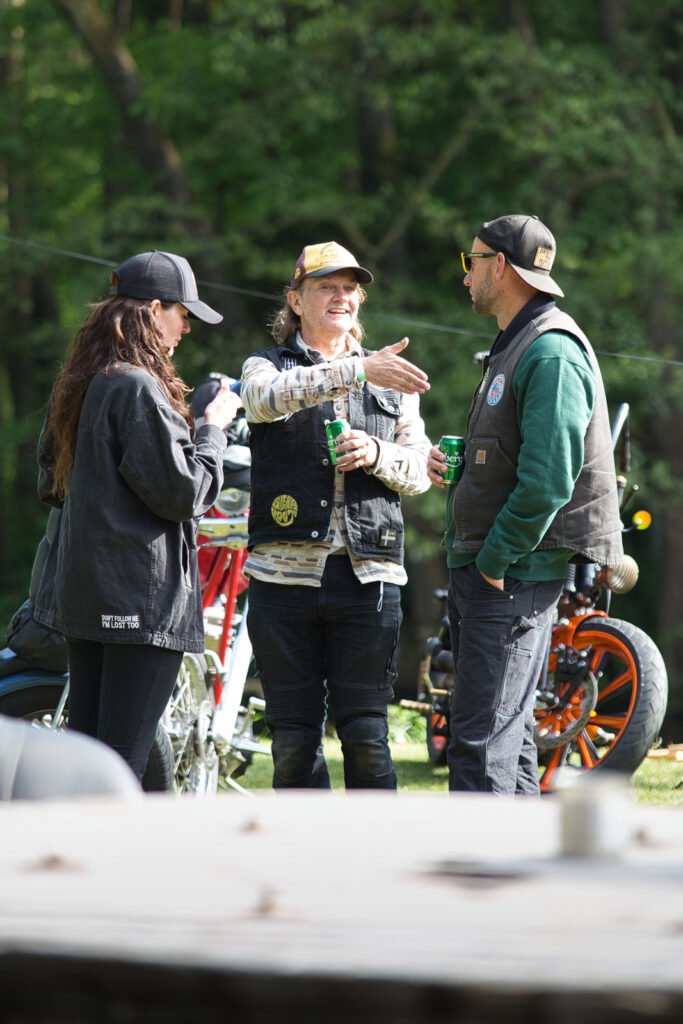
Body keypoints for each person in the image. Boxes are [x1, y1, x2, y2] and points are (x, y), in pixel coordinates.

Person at [427, 215, 624, 795]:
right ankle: (528, 878)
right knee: (506, 750)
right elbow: (513, 459)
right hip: (495, 572)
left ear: (501, 267)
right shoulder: (518, 341)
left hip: (509, 575)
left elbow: (548, 482)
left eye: (472, 262)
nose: (465, 277)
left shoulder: (552, 352)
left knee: (478, 745)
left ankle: (480, 881)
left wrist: (492, 560)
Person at [33, 250, 241, 781]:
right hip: (139, 603)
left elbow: (49, 483)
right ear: (153, 310)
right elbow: (185, 493)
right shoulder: (137, 385)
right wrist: (212, 427)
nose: (187, 329)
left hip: (84, 594)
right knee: (120, 767)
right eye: (183, 314)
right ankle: (107, 862)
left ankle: (82, 856)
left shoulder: (81, 381)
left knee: (89, 758)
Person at [241, 241, 431, 790]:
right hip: (281, 579)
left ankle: (377, 867)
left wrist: (377, 454)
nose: (341, 297)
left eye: (350, 288)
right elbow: (260, 400)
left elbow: (420, 472)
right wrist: (354, 370)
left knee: (368, 739)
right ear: (296, 301)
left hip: (368, 577)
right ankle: (304, 866)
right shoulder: (265, 365)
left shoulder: (389, 375)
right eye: (327, 286)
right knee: (294, 743)